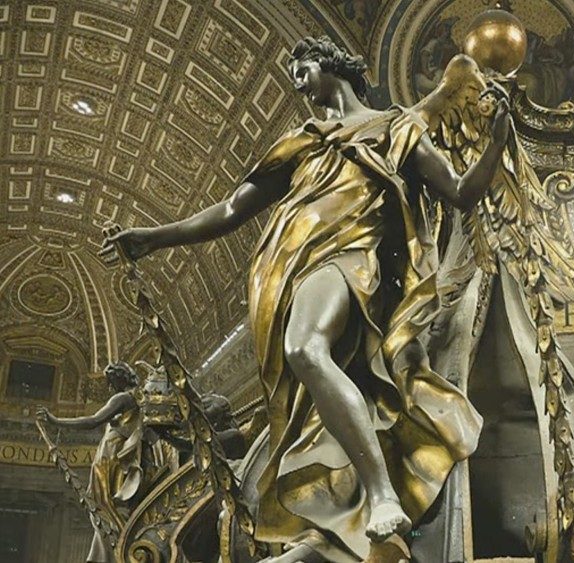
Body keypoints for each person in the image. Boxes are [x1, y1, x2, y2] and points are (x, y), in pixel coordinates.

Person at [101, 36, 512, 562]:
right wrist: (154, 237)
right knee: (307, 387)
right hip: (284, 269)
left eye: (303, 68)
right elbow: (231, 210)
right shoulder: (300, 142)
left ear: (331, 64)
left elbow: (460, 192)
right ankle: (340, 514)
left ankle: (383, 494)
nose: (297, 82)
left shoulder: (396, 127)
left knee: (305, 349)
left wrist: (496, 143)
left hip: (348, 258)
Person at [37, 362, 153, 563]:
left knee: (104, 506)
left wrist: (56, 421)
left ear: (117, 381)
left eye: (110, 382)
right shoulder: (140, 398)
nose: (109, 387)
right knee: (109, 507)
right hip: (120, 455)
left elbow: (92, 421)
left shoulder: (122, 398)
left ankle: (113, 553)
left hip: (111, 456)